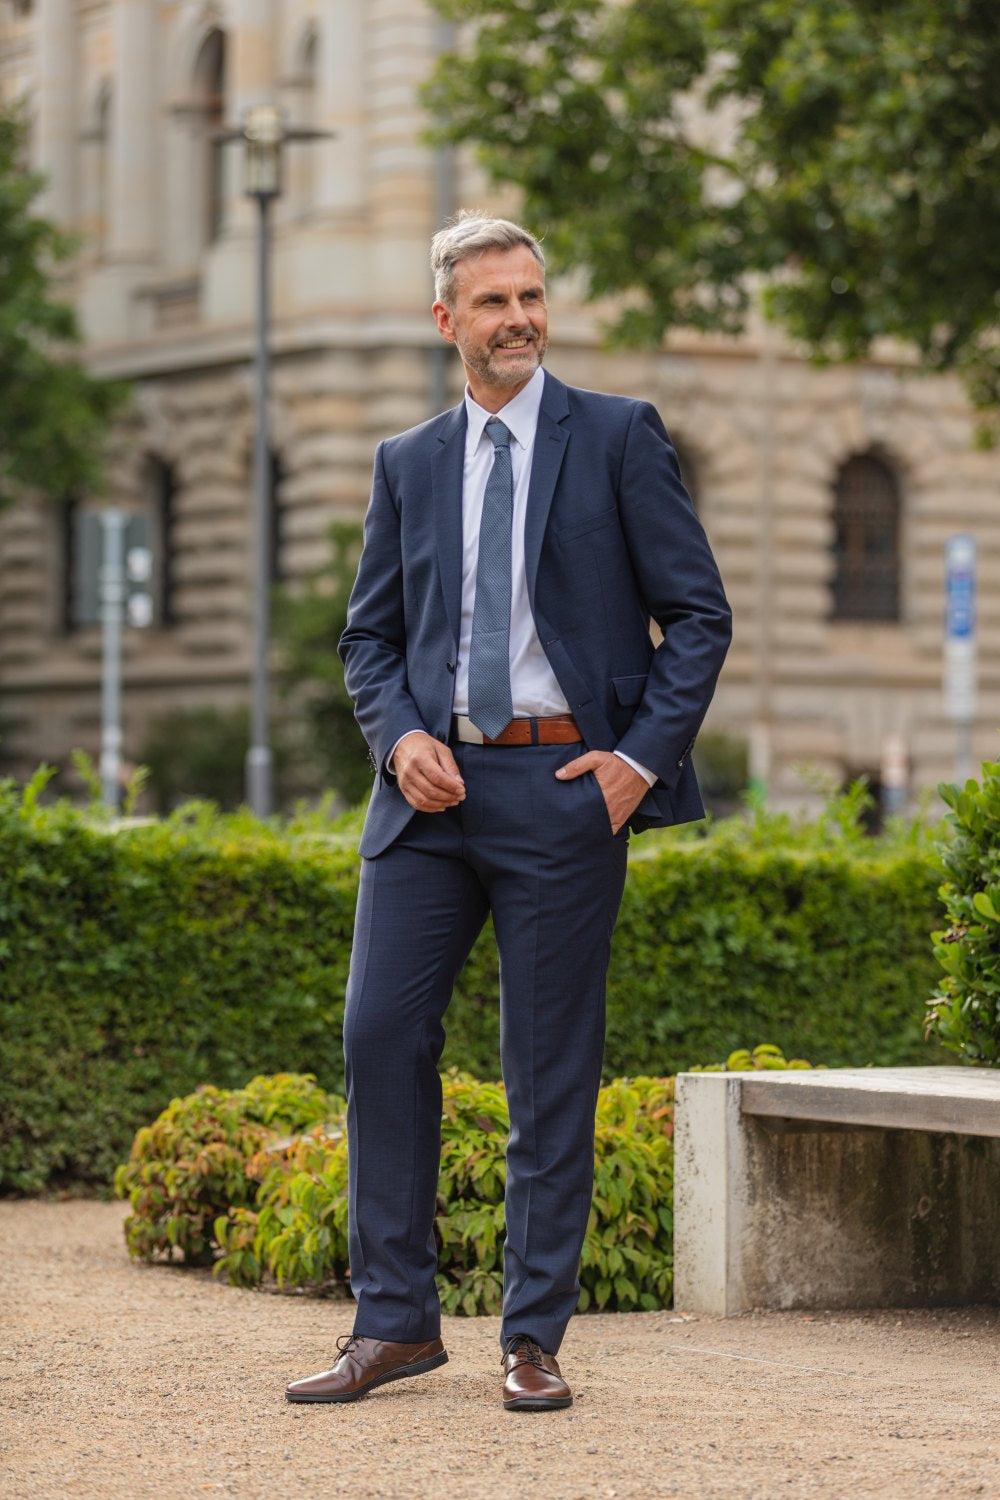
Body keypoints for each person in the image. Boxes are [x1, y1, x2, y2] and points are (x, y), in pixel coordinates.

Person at [285, 213, 731, 1411]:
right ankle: (395, 1323)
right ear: (447, 322)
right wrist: (398, 736)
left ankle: (531, 1337)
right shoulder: (407, 460)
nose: (519, 319)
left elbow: (698, 615)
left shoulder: (619, 438)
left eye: (531, 296)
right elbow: (368, 637)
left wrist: (638, 761)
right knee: (379, 1035)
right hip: (431, 796)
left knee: (546, 1071)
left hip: (563, 790)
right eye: (493, 303)